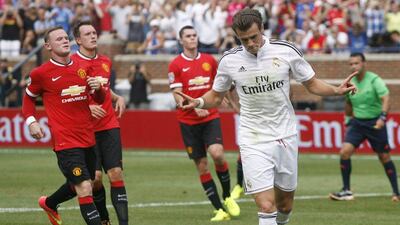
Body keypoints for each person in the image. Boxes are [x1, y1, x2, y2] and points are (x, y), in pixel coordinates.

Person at [176, 9, 356, 225]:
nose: (251, 43)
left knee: (285, 205)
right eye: (244, 40)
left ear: (262, 29)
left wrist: (336, 90)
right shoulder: (229, 61)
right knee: (266, 205)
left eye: (254, 37)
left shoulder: (286, 50)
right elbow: (216, 96)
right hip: (253, 138)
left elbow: (311, 83)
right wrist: (198, 102)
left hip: (285, 135)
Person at [22, 26, 105, 225]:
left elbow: (99, 98)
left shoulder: (82, 66)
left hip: (87, 137)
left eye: (66, 38)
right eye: (59, 39)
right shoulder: (41, 73)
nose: (65, 41)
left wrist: (98, 89)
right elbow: (28, 99)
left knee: (90, 182)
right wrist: (32, 122)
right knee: (84, 187)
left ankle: (50, 203)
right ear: (48, 46)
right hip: (66, 141)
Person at [168, 25, 240, 222]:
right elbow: (177, 95)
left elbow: (222, 84)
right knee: (202, 166)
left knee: (217, 154)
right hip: (188, 121)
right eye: (188, 36)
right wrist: (191, 107)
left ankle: (227, 196)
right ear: (181, 40)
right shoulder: (175, 65)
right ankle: (219, 209)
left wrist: (230, 102)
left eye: (194, 35)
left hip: (210, 116)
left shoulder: (209, 61)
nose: (192, 39)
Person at [71, 21, 129, 225]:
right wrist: (86, 108)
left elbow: (105, 88)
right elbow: (65, 98)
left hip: (109, 124)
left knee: (115, 173)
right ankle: (104, 220)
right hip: (86, 130)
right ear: (78, 40)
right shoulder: (72, 64)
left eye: (94, 33)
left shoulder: (105, 61)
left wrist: (117, 98)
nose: (93, 36)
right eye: (87, 34)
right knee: (95, 179)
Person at [329, 52, 400, 202]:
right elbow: (348, 103)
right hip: (357, 123)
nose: (353, 66)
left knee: (384, 157)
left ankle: (396, 193)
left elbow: (386, 98)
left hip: (375, 122)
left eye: (356, 63)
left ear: (364, 64)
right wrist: (348, 119)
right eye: (351, 64)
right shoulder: (350, 82)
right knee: (344, 152)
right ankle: (346, 190)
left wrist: (382, 117)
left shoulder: (374, 80)